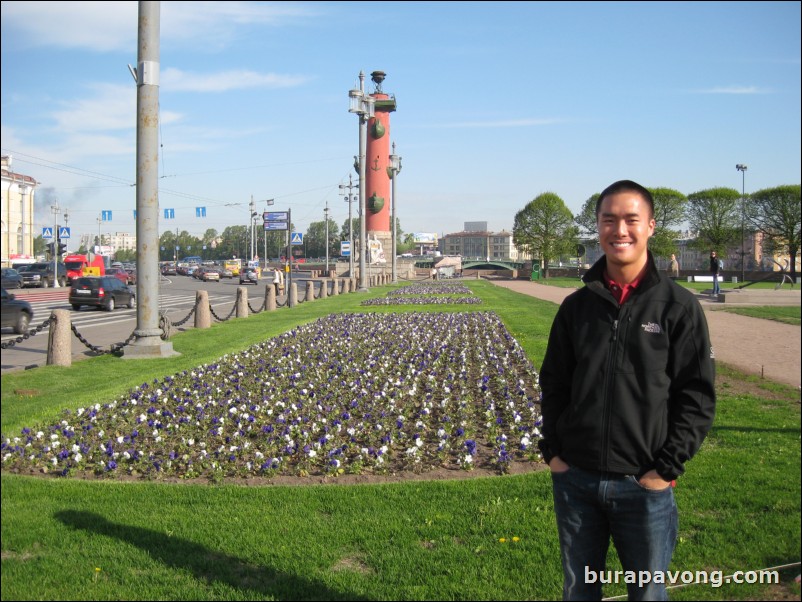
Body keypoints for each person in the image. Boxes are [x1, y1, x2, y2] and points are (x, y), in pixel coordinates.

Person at [538, 180, 716, 601]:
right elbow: (554, 384)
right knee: (580, 592)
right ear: (598, 228)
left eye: (631, 219)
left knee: (647, 595)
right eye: (609, 220)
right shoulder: (576, 308)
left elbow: (697, 396)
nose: (620, 230)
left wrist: (664, 470)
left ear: (650, 226)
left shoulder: (678, 307)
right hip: (577, 480)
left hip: (644, 484)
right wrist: (555, 454)